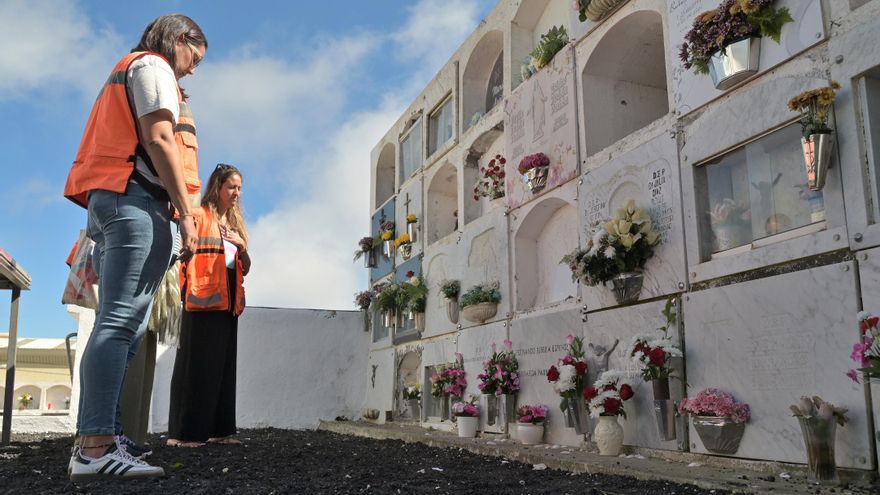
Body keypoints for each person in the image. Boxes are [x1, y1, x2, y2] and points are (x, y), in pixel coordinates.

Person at [63, 14, 207, 480]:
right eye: (194, 57)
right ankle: (95, 449)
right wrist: (187, 214)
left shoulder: (131, 70)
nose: (192, 70)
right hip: (134, 202)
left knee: (123, 328)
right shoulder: (152, 66)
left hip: (115, 201)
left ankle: (106, 437)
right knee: (120, 323)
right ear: (179, 40)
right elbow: (160, 137)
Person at [167, 164, 250, 448]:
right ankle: (186, 434)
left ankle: (220, 430)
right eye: (231, 187)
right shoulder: (199, 216)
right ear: (217, 187)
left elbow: (246, 268)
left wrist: (242, 246)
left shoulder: (235, 225)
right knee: (196, 367)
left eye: (239, 187)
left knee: (224, 368)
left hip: (228, 303)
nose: (236, 193)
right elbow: (182, 253)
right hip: (200, 300)